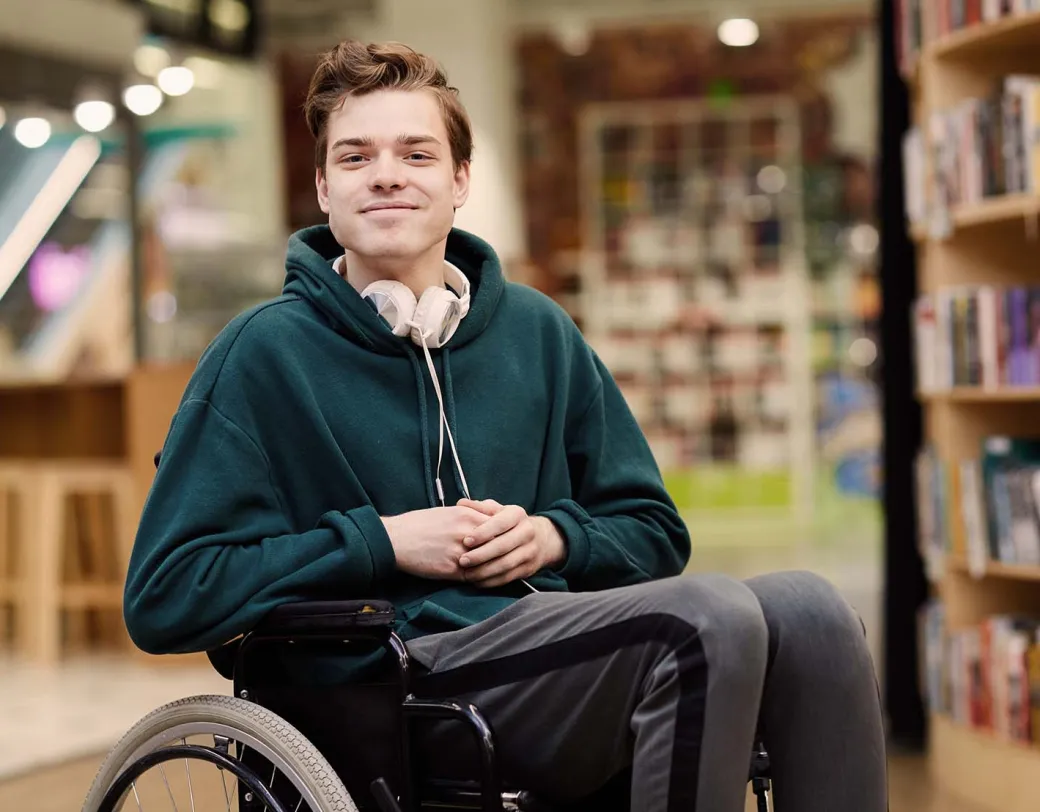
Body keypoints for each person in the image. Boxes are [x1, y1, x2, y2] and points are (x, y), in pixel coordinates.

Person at [123, 39, 888, 812]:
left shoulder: (538, 332)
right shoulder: (261, 355)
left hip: (550, 650)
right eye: (355, 158)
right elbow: (166, 594)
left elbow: (653, 530)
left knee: (812, 613)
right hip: (389, 685)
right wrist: (383, 541)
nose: (386, 172)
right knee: (706, 618)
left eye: (416, 153)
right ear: (323, 188)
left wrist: (555, 538)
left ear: (459, 181)